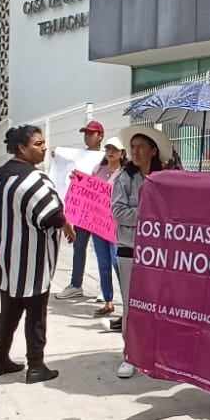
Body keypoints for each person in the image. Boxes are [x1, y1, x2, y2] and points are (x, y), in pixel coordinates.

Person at [0, 124, 69, 383]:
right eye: (38, 144)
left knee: (8, 313)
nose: (44, 147)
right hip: (33, 263)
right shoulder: (35, 179)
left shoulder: (0, 176)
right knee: (36, 317)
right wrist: (67, 220)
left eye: (44, 142)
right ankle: (36, 366)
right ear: (22, 148)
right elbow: (52, 216)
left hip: (6, 259)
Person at [112, 123, 172, 377]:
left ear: (153, 151)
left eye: (140, 147)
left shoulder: (167, 178)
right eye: (132, 147)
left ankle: (156, 353)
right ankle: (130, 354)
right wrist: (149, 213)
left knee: (159, 304)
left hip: (160, 252)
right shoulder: (124, 178)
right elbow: (118, 212)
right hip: (130, 250)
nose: (134, 152)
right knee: (131, 305)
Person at [53, 121, 106, 300]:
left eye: (91, 133)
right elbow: (64, 164)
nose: (87, 136)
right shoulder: (78, 156)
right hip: (83, 211)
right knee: (79, 246)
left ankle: (104, 288)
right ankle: (76, 284)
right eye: (86, 133)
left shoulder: (107, 156)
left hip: (100, 212)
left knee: (102, 251)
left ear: (100, 136)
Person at [89, 136, 124, 317]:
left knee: (117, 263)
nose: (110, 152)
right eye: (108, 148)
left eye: (114, 149)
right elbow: (88, 191)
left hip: (115, 227)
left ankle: (127, 303)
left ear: (121, 153)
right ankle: (108, 302)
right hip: (97, 225)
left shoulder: (124, 173)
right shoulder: (98, 170)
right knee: (103, 264)